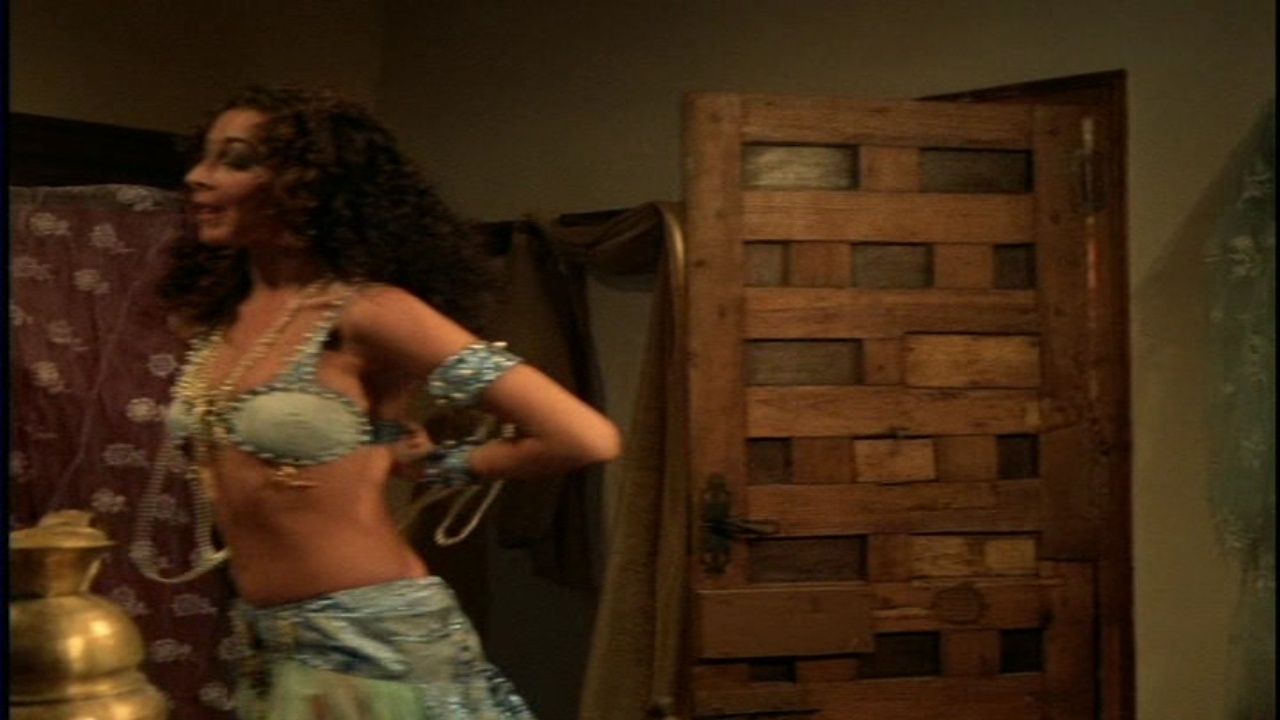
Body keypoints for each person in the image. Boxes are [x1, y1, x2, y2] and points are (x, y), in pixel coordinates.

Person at [128, 84, 622, 719]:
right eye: (204, 155)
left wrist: (446, 465)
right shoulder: (218, 321)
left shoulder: (370, 311)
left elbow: (585, 437)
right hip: (266, 643)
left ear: (310, 186)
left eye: (237, 159)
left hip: (376, 639)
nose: (198, 176)